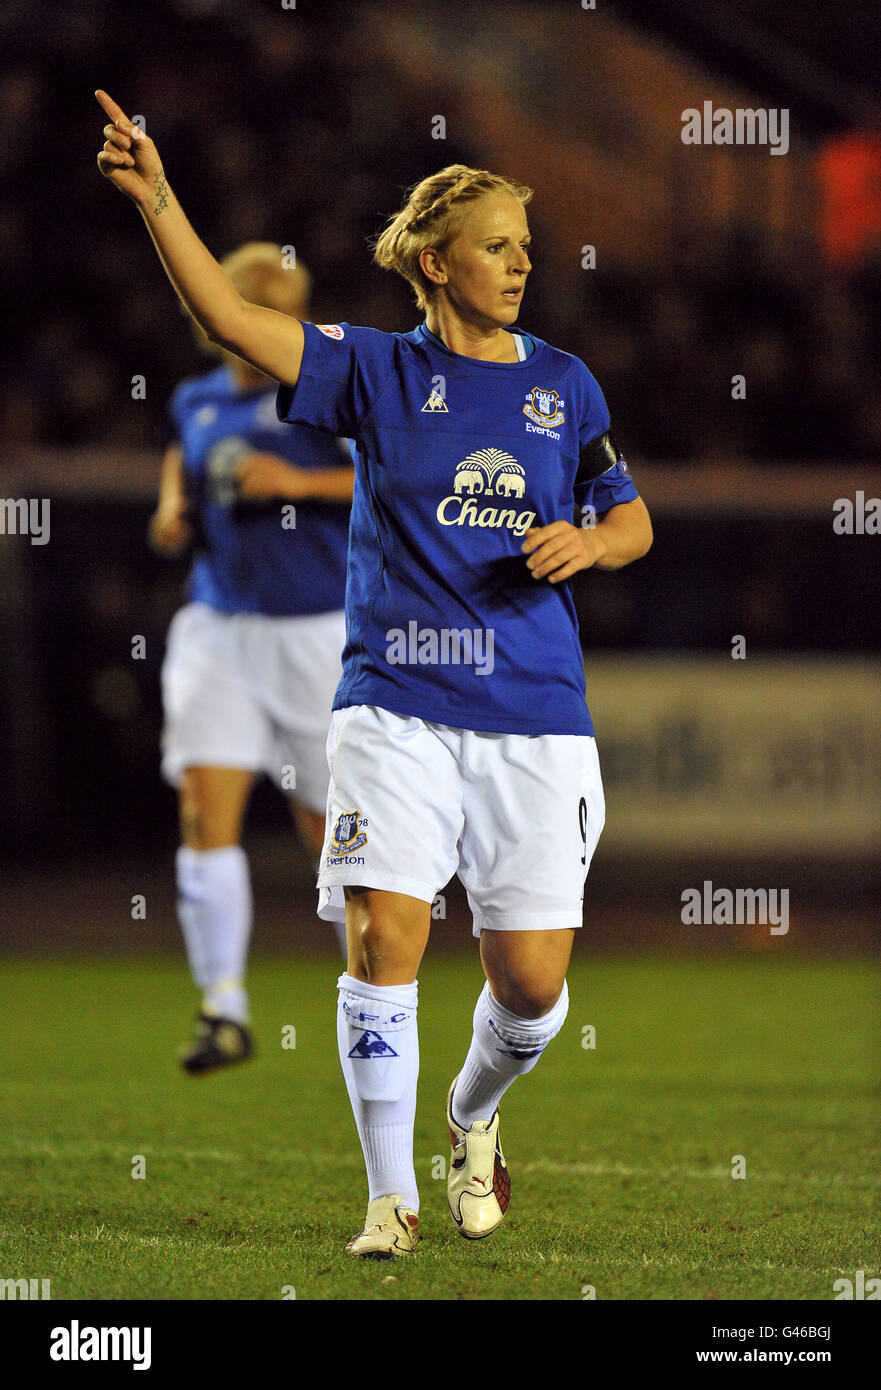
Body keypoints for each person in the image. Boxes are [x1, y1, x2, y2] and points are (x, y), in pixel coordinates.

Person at [96, 91, 652, 1253]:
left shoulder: (564, 384)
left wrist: (592, 544)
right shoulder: (372, 371)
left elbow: (630, 516)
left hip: (533, 714)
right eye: (496, 245)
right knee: (382, 942)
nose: (521, 263)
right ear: (437, 263)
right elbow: (229, 316)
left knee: (532, 987)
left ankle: (471, 1113)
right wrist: (158, 197)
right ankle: (387, 1198)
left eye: (524, 244)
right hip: (392, 705)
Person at [148, 241, 354, 1074]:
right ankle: (222, 1009)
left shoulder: (324, 393)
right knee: (205, 810)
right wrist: (172, 505)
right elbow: (182, 452)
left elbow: (392, 482)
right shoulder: (197, 397)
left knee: (332, 833)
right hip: (219, 626)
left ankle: (372, 1000)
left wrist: (299, 485)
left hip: (317, 631)